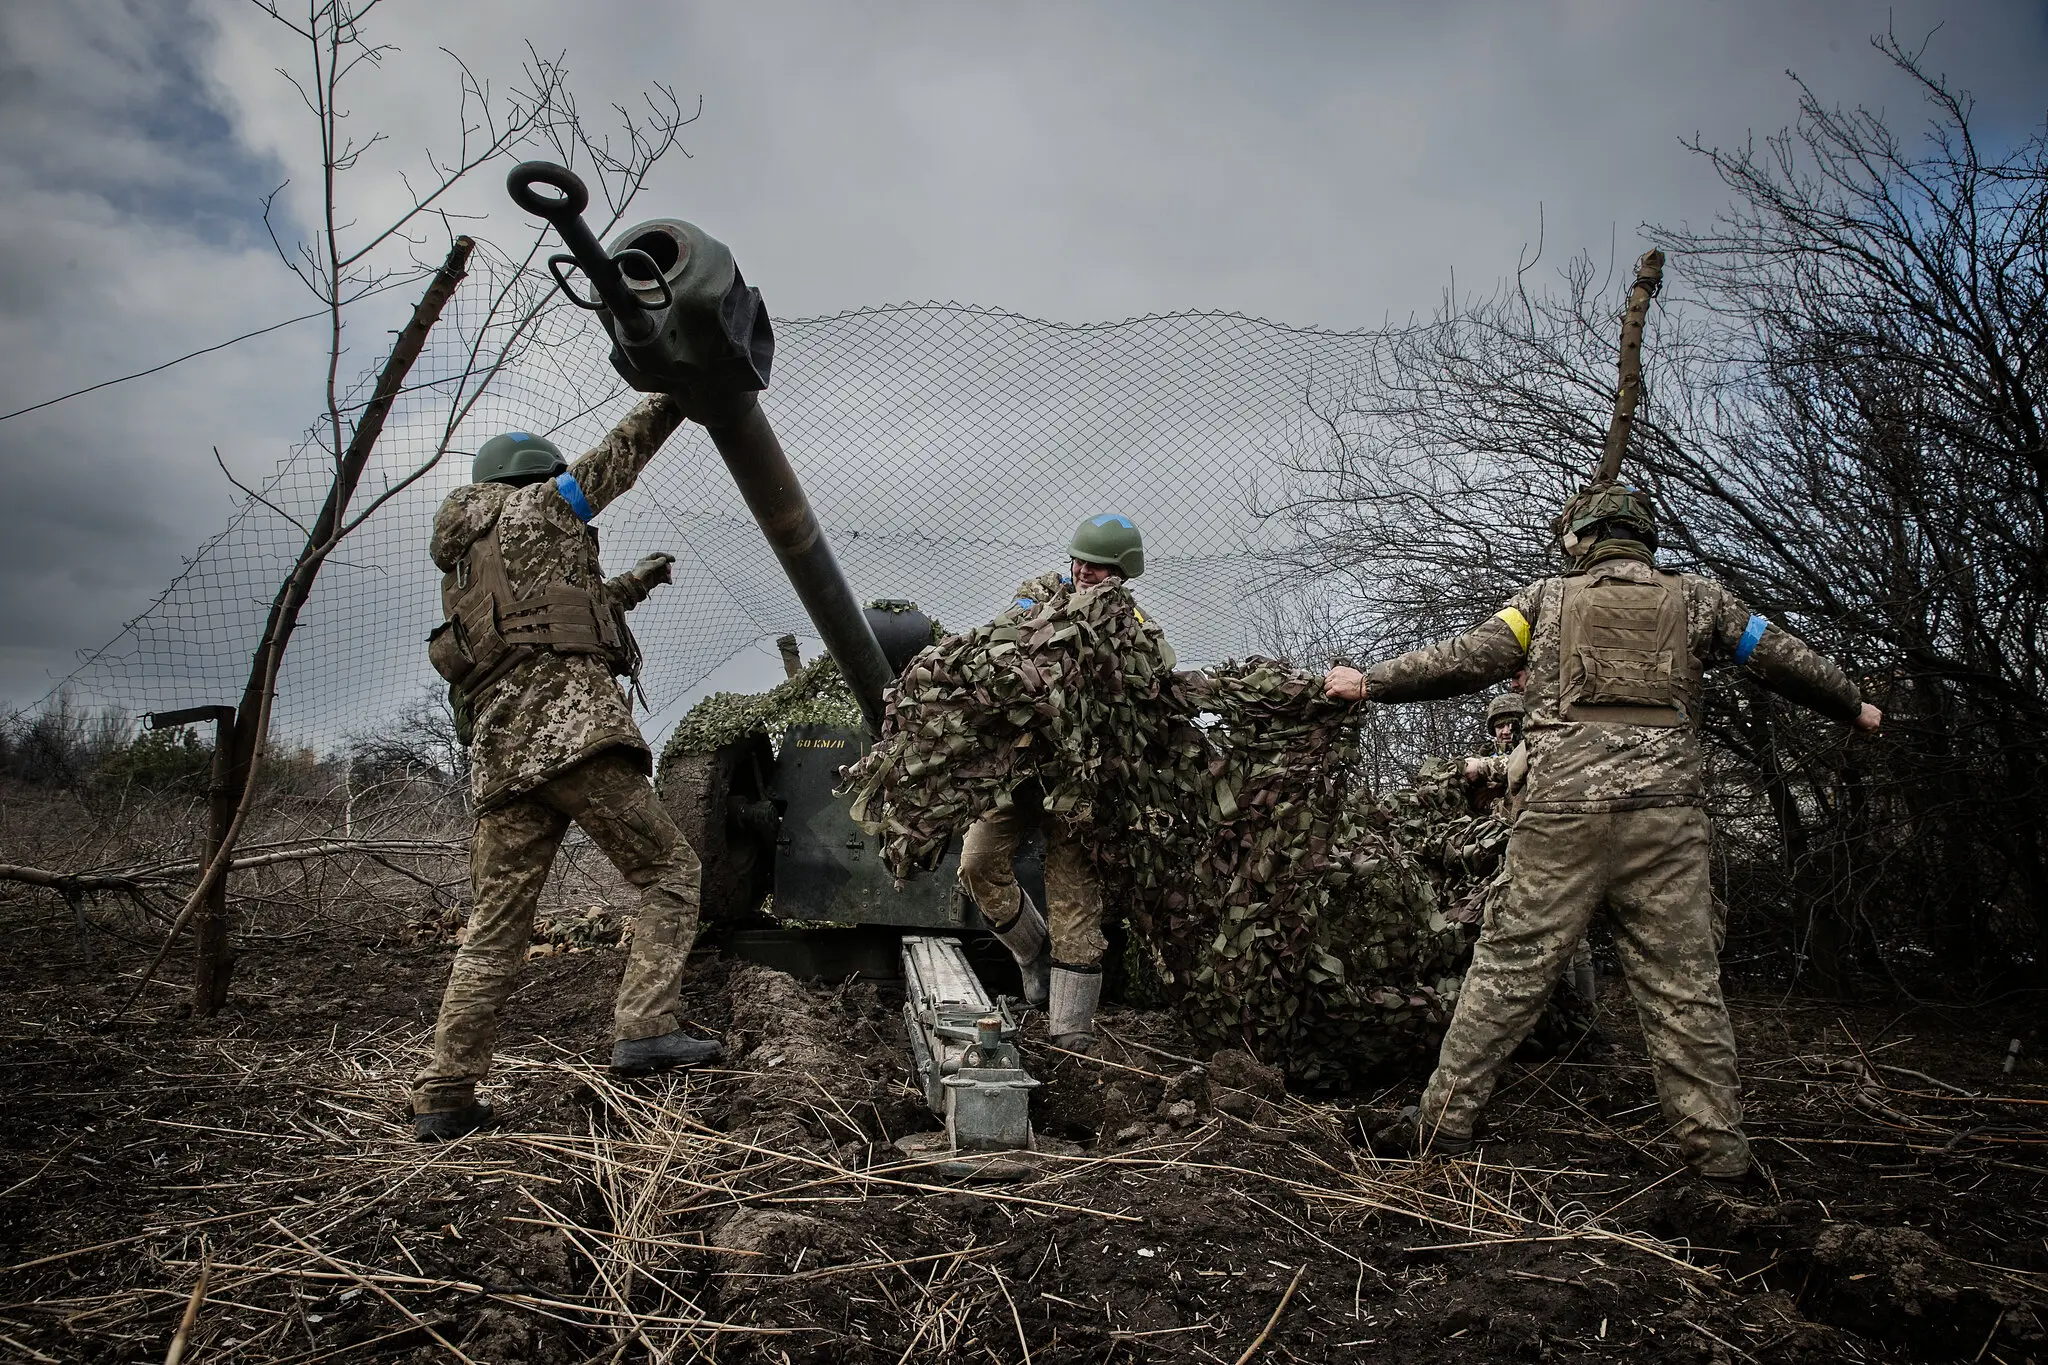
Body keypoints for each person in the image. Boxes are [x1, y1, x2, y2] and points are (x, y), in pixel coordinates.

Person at [1325, 483, 1880, 1180]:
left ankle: (1442, 1122)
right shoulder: (1700, 600)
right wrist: (1853, 703)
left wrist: (1369, 682)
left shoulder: (1545, 601)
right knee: (1684, 987)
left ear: (1579, 540)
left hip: (1560, 821)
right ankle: (1719, 1156)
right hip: (1665, 822)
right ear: (1645, 538)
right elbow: (1782, 656)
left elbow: (1465, 657)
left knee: (1506, 970)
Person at [413, 401, 723, 1141]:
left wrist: (636, 583)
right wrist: (678, 394)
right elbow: (617, 457)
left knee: (494, 927)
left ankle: (445, 1090)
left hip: (502, 763)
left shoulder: (464, 564)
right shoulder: (539, 510)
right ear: (533, 478)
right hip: (571, 737)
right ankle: (647, 1023)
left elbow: (561, 613)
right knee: (671, 872)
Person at [958, 513, 1173, 1055]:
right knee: (978, 861)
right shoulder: (1039, 597)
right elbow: (1004, 641)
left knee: (1074, 898)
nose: (1083, 572)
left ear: (1122, 575)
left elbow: (1156, 680)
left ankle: (1071, 1033)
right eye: (1079, 561)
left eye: (1098, 569)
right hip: (1020, 768)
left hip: (1083, 782)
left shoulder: (1138, 627)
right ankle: (1031, 955)